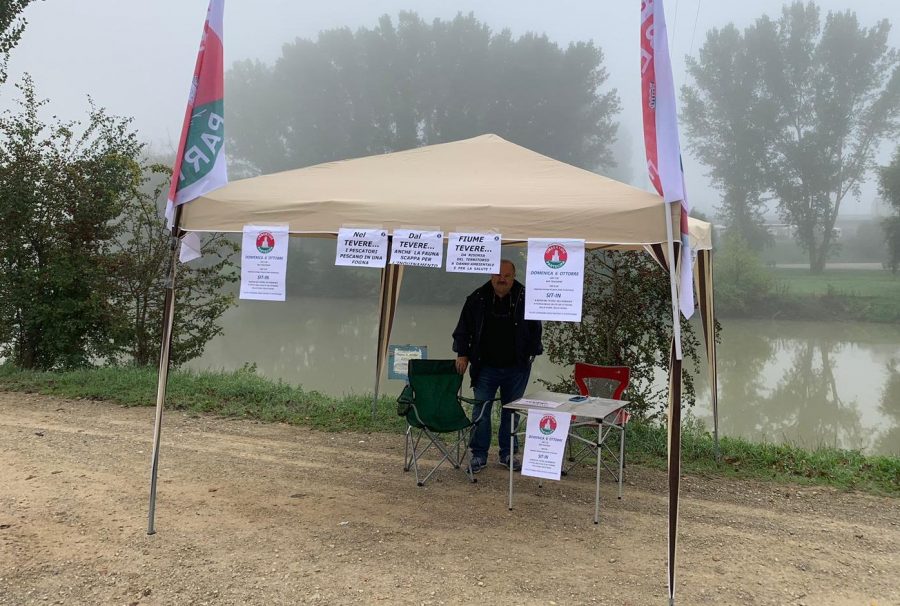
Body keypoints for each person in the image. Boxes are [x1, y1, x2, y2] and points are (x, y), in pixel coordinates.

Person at [452, 259, 543, 473]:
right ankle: (479, 454)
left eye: (507, 275)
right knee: (481, 410)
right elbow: (463, 329)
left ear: (514, 276)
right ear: (491, 275)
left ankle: (508, 453)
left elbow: (536, 329)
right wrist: (462, 354)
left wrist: (531, 353)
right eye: (498, 275)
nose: (502, 279)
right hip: (485, 367)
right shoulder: (476, 298)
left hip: (517, 368)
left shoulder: (527, 297)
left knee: (511, 411)